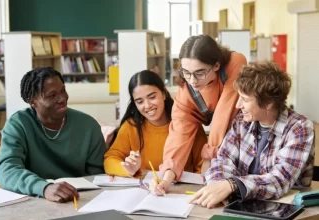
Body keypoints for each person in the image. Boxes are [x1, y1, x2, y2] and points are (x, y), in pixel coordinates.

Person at [189, 61, 314, 208]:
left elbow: (279, 181)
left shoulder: (300, 128)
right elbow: (222, 161)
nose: (238, 105)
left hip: (285, 210)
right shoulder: (242, 120)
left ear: (268, 103)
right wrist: (218, 187)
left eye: (245, 99)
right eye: (239, 97)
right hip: (242, 205)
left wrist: (232, 185)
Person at [149, 35, 247, 195]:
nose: (192, 80)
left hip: (244, 138)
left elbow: (225, 110)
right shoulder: (184, 95)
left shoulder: (235, 62)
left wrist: (209, 156)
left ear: (216, 65)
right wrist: (166, 178)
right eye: (186, 72)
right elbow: (179, 136)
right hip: (220, 149)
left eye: (200, 73)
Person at [0, 67, 106, 202]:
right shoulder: (18, 125)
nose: (62, 98)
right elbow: (7, 171)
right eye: (52, 95)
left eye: (63, 90)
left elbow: (98, 176)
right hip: (35, 199)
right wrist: (44, 187)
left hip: (78, 199)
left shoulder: (88, 126)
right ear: (33, 101)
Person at [104, 70, 207, 177]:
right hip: (145, 190)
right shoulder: (131, 126)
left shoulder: (187, 122)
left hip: (183, 191)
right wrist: (128, 170)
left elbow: (204, 165)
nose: (147, 105)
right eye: (140, 101)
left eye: (152, 97)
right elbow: (109, 160)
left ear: (163, 94)